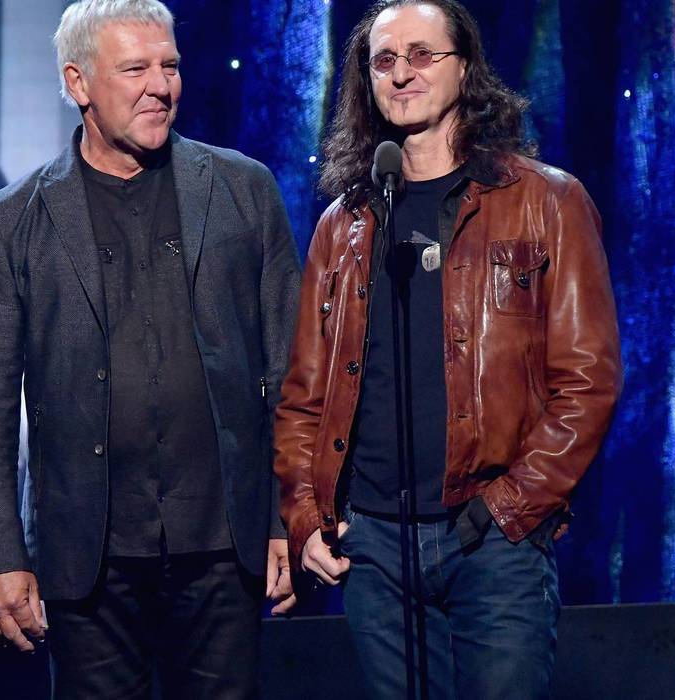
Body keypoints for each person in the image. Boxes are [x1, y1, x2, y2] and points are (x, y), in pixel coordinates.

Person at [272, 1, 622, 698]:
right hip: (371, 544)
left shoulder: (546, 201)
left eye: (422, 55)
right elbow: (302, 396)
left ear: (465, 68)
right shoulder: (341, 224)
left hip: (492, 538)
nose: (402, 74)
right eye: (383, 61)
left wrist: (510, 509)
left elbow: (588, 382)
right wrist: (306, 516)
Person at [0, 1, 299, 697]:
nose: (160, 85)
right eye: (135, 68)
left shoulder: (243, 190)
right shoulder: (12, 220)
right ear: (78, 83)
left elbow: (288, 372)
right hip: (88, 557)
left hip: (221, 545)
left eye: (169, 65)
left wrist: (285, 518)